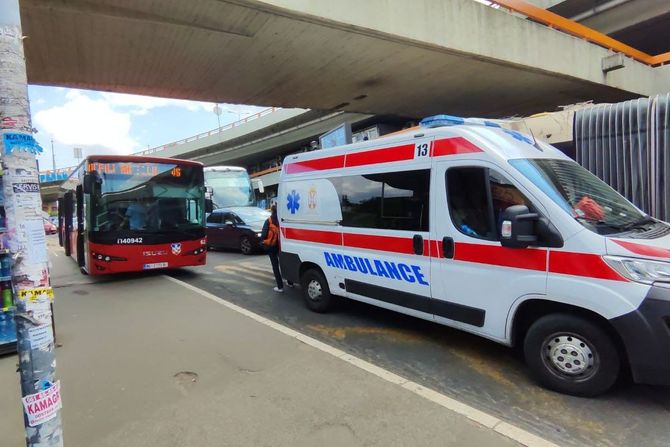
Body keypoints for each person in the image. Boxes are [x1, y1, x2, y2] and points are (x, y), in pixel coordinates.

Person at [261, 204, 292, 292]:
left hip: (272, 246)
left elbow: (263, 235)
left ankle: (280, 287)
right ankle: (290, 282)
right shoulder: (282, 220)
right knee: (285, 264)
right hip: (282, 245)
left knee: (275, 266)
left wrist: (263, 241)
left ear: (271, 211)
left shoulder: (268, 221)